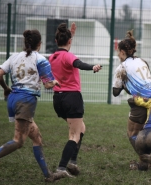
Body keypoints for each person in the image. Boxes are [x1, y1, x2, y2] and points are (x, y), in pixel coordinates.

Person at [0, 29, 65, 182]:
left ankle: (49, 176)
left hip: (14, 99)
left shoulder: (15, 57)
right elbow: (48, 85)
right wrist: (54, 82)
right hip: (26, 101)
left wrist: (6, 89)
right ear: (39, 44)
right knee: (18, 140)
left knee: (37, 138)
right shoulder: (40, 59)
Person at [48, 22, 102, 178]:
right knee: (74, 135)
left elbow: (65, 51)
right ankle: (62, 168)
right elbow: (77, 63)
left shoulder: (52, 57)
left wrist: (70, 35)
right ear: (69, 41)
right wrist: (93, 67)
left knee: (80, 129)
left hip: (58, 99)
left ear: (56, 41)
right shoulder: (68, 56)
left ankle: (73, 161)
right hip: (72, 98)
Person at [112, 30, 151, 169]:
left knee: (132, 133)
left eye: (118, 52)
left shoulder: (122, 68)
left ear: (121, 52)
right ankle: (148, 160)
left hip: (141, 103)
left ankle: (145, 162)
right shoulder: (142, 61)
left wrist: (124, 86)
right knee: (146, 132)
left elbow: (115, 92)